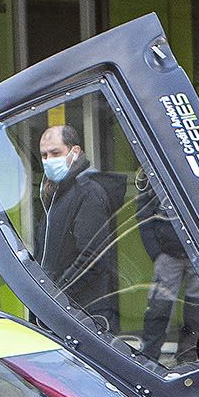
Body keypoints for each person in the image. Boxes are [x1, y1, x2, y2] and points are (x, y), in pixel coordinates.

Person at [36, 123, 120, 331]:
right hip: (64, 308)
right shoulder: (56, 192)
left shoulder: (87, 192)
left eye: (55, 153)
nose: (48, 160)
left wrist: (58, 293)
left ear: (75, 151)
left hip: (83, 311)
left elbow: (92, 257)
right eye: (44, 155)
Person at [133, 170, 199, 361]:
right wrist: (156, 253)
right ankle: (148, 358)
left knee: (197, 312)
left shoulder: (198, 167)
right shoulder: (152, 169)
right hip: (167, 254)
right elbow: (143, 213)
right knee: (158, 309)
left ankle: (189, 358)